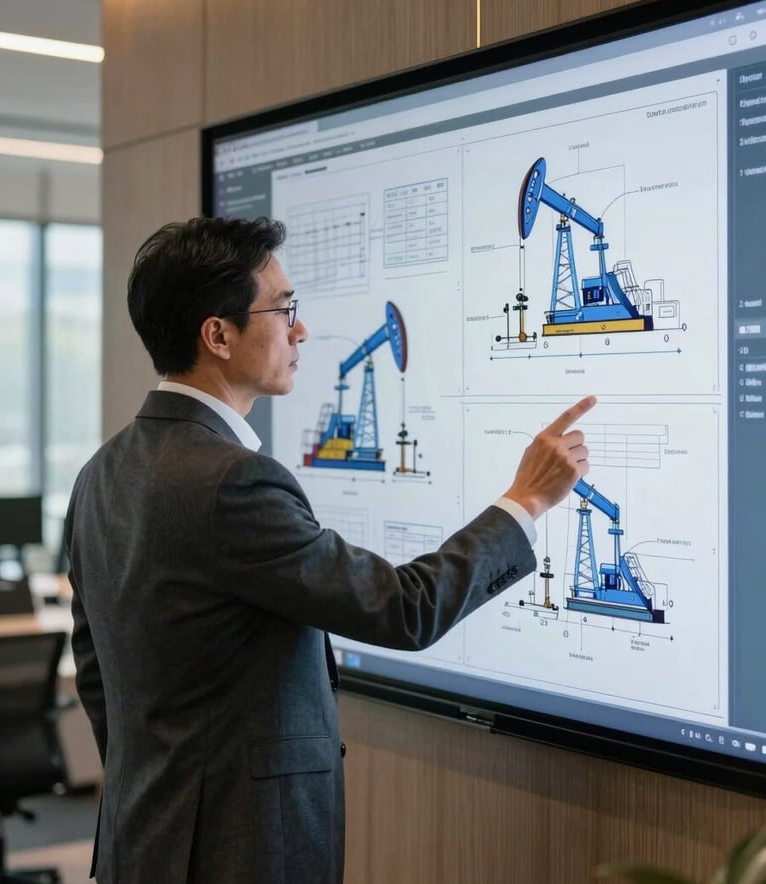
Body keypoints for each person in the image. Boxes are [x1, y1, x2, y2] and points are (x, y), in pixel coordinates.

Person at [65, 215, 594, 884]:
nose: (301, 330)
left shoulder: (103, 470)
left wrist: (159, 783)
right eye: (285, 310)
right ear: (218, 335)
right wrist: (526, 501)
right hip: (237, 853)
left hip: (142, 839)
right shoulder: (231, 481)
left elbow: (97, 668)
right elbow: (402, 610)